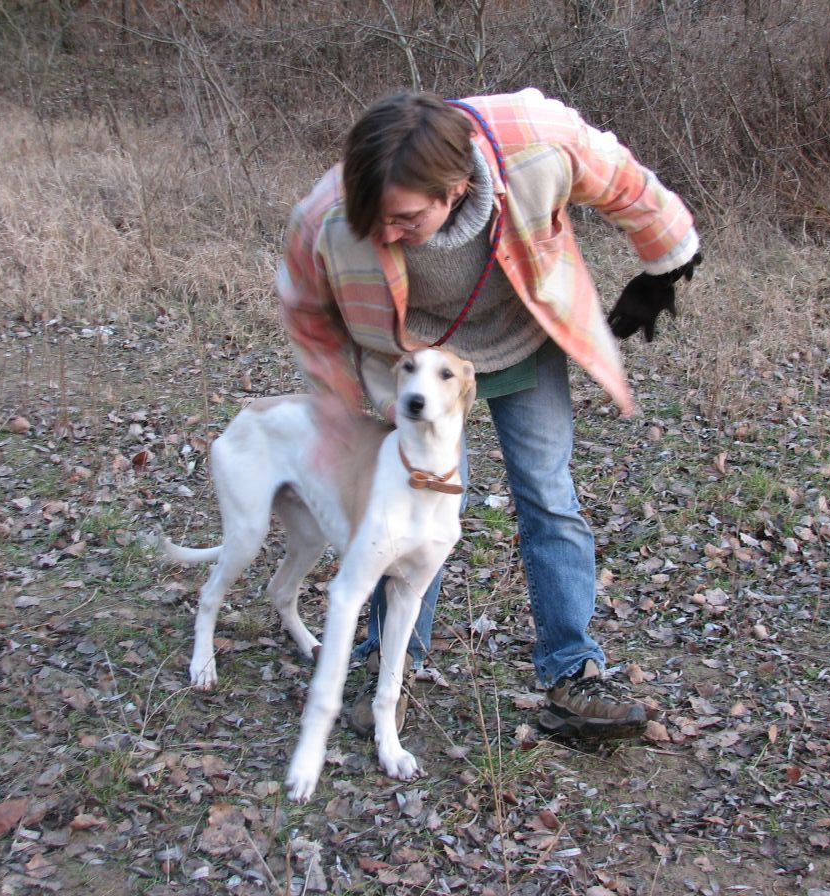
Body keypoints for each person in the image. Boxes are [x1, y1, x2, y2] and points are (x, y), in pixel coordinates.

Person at [277, 88, 701, 740]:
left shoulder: (537, 143)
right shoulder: (326, 214)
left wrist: (661, 269)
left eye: (405, 219)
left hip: (519, 333)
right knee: (413, 500)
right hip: (415, 359)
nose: (384, 234)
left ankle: (573, 671)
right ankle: (390, 666)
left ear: (455, 188)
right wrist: (336, 406)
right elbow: (306, 312)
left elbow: (626, 181)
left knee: (549, 493)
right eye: (373, 221)